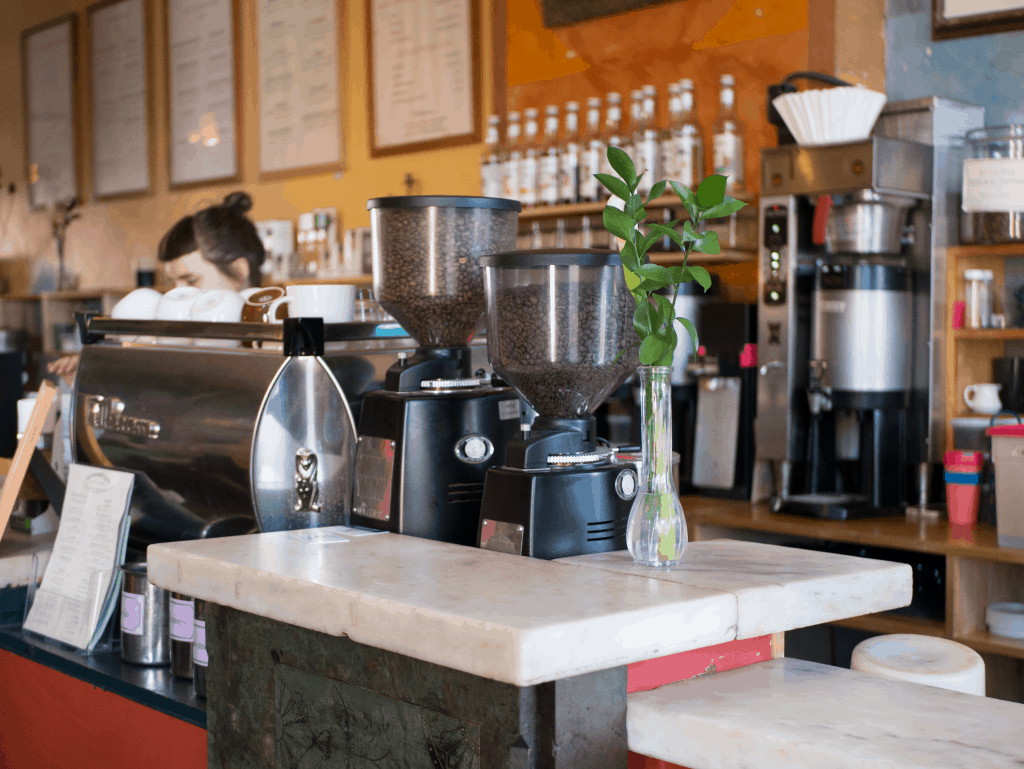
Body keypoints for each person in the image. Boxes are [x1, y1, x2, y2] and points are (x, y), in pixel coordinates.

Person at [47, 192, 266, 379]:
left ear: (239, 271)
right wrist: (95, 377)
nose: (177, 293)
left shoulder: (274, 355)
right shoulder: (177, 348)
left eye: (191, 280)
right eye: (172, 283)